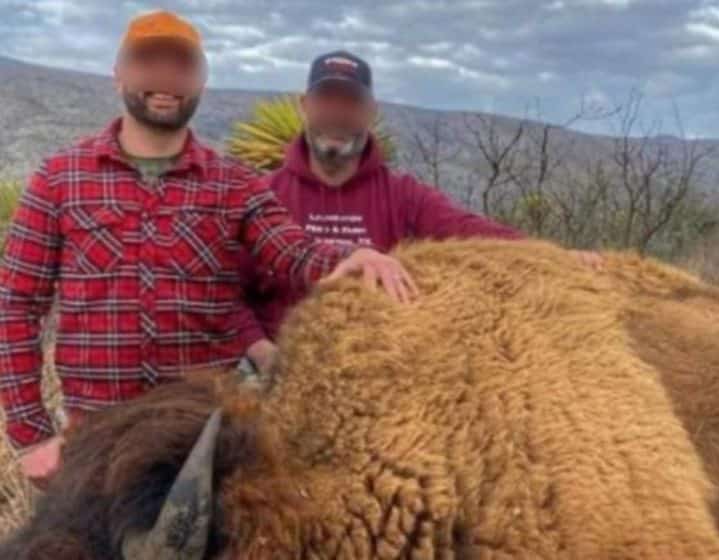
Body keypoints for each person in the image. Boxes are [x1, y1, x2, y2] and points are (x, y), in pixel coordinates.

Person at [0, 11, 413, 488]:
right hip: (97, 440)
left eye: (182, 66)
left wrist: (350, 258)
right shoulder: (59, 179)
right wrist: (31, 436)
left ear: (201, 79)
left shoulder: (233, 183)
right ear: (117, 75)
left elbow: (292, 251)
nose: (165, 79)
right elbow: (16, 306)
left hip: (206, 443)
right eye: (147, 62)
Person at [237, 51, 603, 374]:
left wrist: (551, 258)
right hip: (279, 366)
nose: (337, 113)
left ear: (370, 112)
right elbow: (226, 294)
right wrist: (266, 356)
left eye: (350, 102)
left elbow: (469, 231)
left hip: (382, 370)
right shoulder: (263, 196)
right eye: (327, 100)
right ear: (306, 105)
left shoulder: (403, 195)